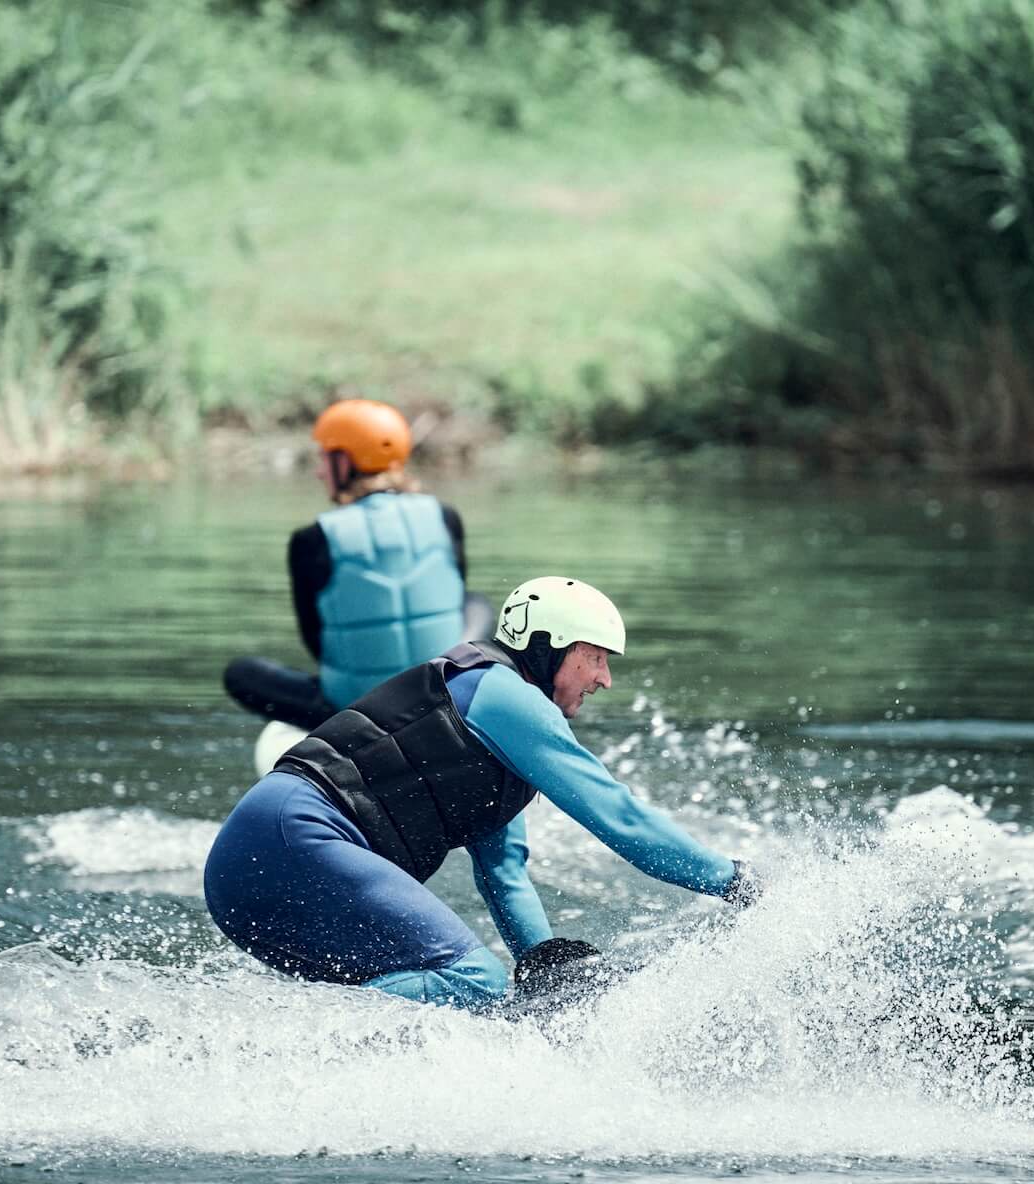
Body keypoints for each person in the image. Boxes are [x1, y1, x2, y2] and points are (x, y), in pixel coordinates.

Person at [203, 576, 761, 1011]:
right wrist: (738, 882)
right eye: (594, 657)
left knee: (465, 995)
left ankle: (286, 1053)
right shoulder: (504, 697)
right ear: (549, 648)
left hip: (257, 871)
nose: (604, 679)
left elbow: (504, 873)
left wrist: (542, 966)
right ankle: (294, 1040)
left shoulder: (494, 727)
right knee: (476, 983)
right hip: (291, 837)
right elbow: (621, 818)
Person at [222, 399, 490, 730]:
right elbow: (450, 600)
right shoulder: (445, 517)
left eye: (324, 458)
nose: (319, 472)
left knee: (241, 674)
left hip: (356, 714)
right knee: (476, 604)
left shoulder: (313, 538)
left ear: (344, 461)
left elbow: (318, 643)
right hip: (439, 700)